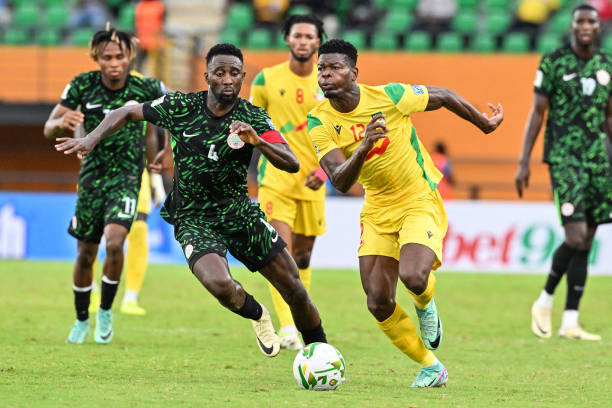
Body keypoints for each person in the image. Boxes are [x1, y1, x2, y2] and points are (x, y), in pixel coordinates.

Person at [55, 43, 328, 357]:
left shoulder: (253, 116)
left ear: (242, 78)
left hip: (239, 214)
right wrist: (91, 137)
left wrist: (257, 141)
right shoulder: (181, 106)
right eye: (220, 73)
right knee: (222, 286)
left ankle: (322, 354)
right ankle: (258, 314)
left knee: (294, 287)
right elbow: (127, 110)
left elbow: (291, 162)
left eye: (235, 73)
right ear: (207, 76)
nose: (227, 79)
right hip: (193, 218)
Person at [308, 39, 503, 387]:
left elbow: (441, 95)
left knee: (414, 277)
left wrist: (484, 124)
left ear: (354, 72)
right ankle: (431, 366)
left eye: (334, 67)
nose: (325, 74)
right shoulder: (319, 121)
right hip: (377, 208)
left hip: (418, 198)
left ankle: (426, 305)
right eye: (321, 68)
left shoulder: (391, 96)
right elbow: (339, 180)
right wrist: (365, 144)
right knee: (378, 301)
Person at [43, 26, 168, 344]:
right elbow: (48, 128)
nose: (114, 63)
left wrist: (162, 163)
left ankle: (108, 311)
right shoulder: (82, 85)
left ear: (130, 57)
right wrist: (60, 124)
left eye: (120, 56)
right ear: (96, 58)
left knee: (115, 243)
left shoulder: (148, 86)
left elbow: (172, 120)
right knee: (86, 254)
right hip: (91, 179)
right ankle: (82, 318)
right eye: (107, 57)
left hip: (127, 178)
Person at [515, 4, 612, 341]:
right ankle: (544, 300)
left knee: (586, 241)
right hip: (564, 158)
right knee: (574, 235)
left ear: (598, 27)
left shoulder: (607, 64)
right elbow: (537, 114)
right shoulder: (553, 62)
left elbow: (609, 118)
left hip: (598, 161)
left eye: (591, 21)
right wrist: (524, 160)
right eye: (580, 21)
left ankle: (570, 321)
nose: (586, 26)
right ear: (572, 26)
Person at [250, 14, 326, 350]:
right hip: (276, 177)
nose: (303, 41)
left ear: (318, 42)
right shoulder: (266, 80)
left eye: (309, 36)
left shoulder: (327, 82)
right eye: (298, 35)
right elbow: (251, 122)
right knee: (280, 253)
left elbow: (342, 130)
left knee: (304, 256)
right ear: (287, 39)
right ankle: (288, 327)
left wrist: (325, 171)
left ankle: (299, 318)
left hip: (314, 179)